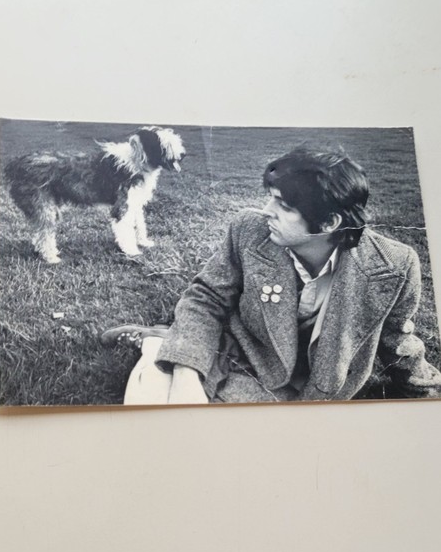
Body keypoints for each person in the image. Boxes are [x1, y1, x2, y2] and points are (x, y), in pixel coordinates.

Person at [101, 145, 441, 404]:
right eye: (271, 199)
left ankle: (157, 339)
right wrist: (187, 376)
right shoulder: (249, 230)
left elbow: (396, 339)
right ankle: (159, 344)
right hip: (241, 359)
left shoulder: (394, 265)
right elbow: (205, 298)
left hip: (310, 393)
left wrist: (424, 392)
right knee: (157, 400)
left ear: (329, 223)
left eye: (285, 206)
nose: (267, 211)